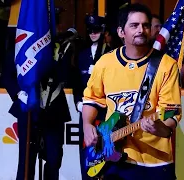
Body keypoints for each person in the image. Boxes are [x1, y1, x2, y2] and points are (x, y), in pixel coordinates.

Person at [82, 3, 181, 180]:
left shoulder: (167, 66)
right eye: (134, 25)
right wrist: (87, 125)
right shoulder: (105, 63)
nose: (141, 30)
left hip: (156, 162)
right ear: (121, 32)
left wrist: (158, 128)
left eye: (145, 25)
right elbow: (92, 99)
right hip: (113, 159)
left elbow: (171, 116)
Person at [1, 2, 71, 179]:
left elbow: (67, 76)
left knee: (54, 159)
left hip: (54, 107)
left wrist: (58, 55)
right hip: (28, 107)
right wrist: (20, 94)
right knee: (26, 160)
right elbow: (7, 76)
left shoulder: (61, 47)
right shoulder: (23, 43)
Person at [71, 14, 111, 180]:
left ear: (102, 31)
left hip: (105, 112)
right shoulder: (81, 54)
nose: (93, 34)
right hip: (87, 111)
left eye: (96, 30)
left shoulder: (110, 53)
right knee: (86, 148)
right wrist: (78, 102)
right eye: (90, 30)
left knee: (107, 149)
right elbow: (75, 82)